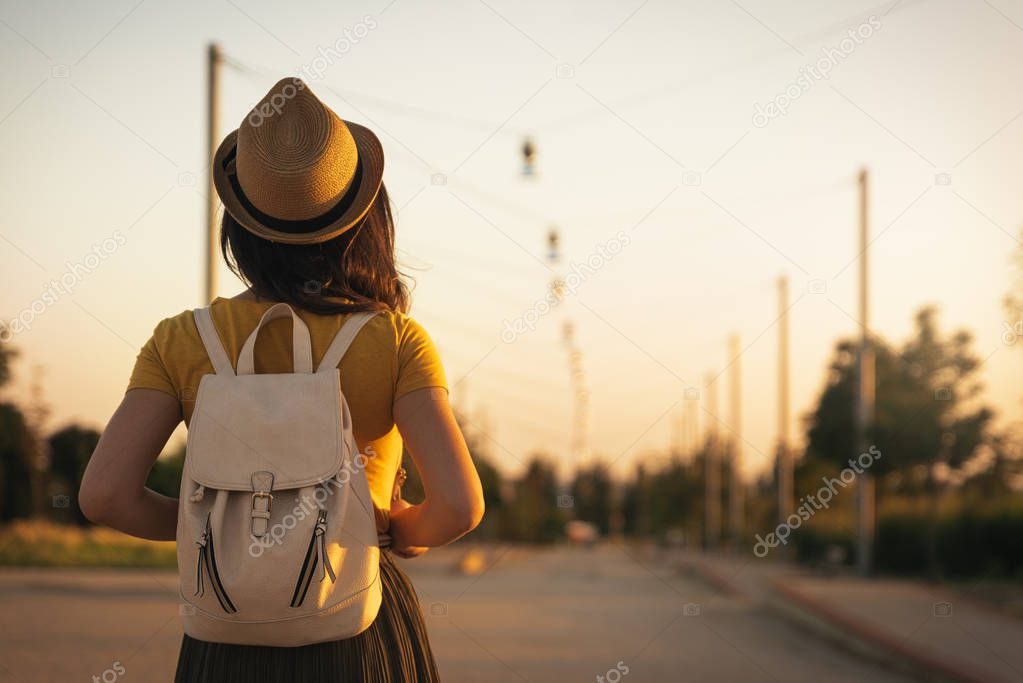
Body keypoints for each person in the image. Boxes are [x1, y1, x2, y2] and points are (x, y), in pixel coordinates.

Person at [79, 78, 485, 682]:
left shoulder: (180, 340)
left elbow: (104, 495)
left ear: (239, 224)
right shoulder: (397, 340)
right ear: (364, 221)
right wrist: (393, 528)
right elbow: (458, 506)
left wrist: (219, 529)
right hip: (355, 616)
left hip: (226, 621)